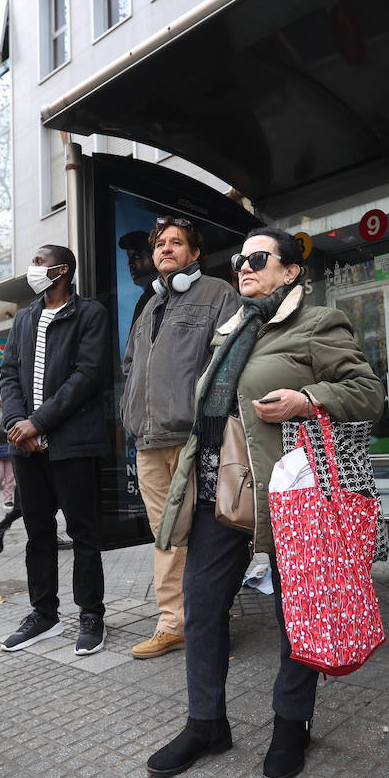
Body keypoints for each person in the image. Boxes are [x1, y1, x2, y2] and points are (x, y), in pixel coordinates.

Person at [146, 226, 384, 778]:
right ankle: (206, 723)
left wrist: (309, 399)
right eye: (238, 261)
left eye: (258, 258)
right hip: (219, 492)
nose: (244, 268)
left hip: (288, 494)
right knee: (202, 607)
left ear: (291, 271)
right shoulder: (230, 330)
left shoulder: (315, 323)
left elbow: (368, 391)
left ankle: (290, 724)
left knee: (294, 613)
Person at [121, 216, 239, 659]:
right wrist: (129, 415)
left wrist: (209, 425)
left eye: (176, 243)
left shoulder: (217, 294)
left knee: (208, 536)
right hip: (149, 442)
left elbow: (228, 363)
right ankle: (175, 623)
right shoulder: (149, 306)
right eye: (160, 244)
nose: (165, 249)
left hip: (194, 440)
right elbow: (130, 365)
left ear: (194, 254)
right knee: (167, 536)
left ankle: (209, 622)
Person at [0, 245, 112, 656]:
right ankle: (43, 615)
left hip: (73, 444)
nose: (33, 268)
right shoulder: (24, 317)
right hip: (27, 449)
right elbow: (8, 373)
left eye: (40, 263)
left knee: (83, 533)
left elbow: (88, 375)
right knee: (38, 534)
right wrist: (14, 423)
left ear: (63, 269)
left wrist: (39, 422)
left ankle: (91, 615)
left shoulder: (90, 313)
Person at [119, 229, 159, 329]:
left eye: (136, 256)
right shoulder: (144, 299)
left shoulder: (160, 297)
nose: (129, 264)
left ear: (153, 257)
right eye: (129, 257)